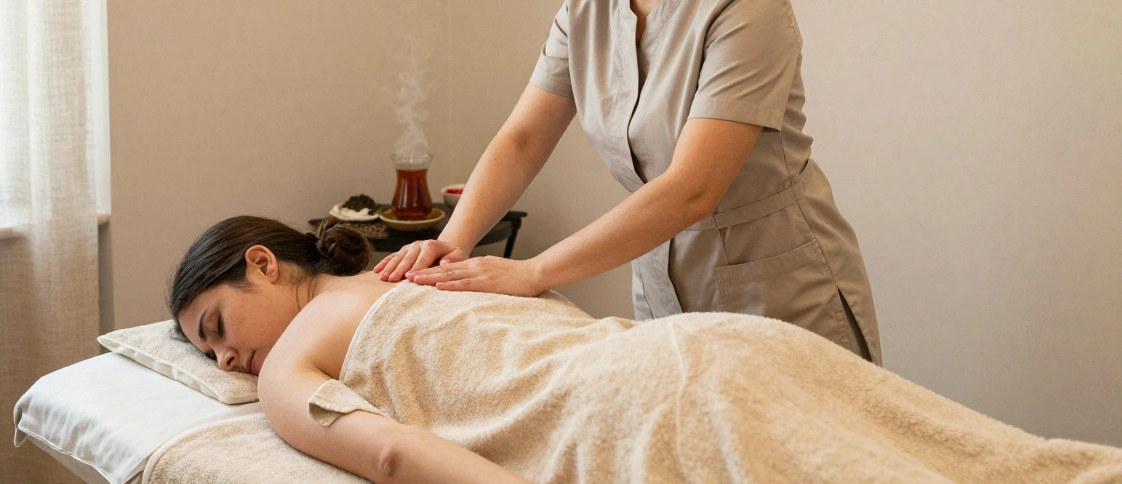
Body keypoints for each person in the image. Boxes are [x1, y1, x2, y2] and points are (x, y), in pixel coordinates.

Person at [373, 0, 880, 363]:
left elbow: (692, 189)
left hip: (775, 294)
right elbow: (523, 138)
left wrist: (532, 272)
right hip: (663, 284)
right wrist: (450, 245)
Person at [170, 216, 1122, 484]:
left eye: (216, 328)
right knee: (1005, 462)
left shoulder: (299, 358)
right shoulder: (432, 265)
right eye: (206, 360)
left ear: (264, 263)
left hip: (644, 408)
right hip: (715, 345)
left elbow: (384, 452)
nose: (227, 364)